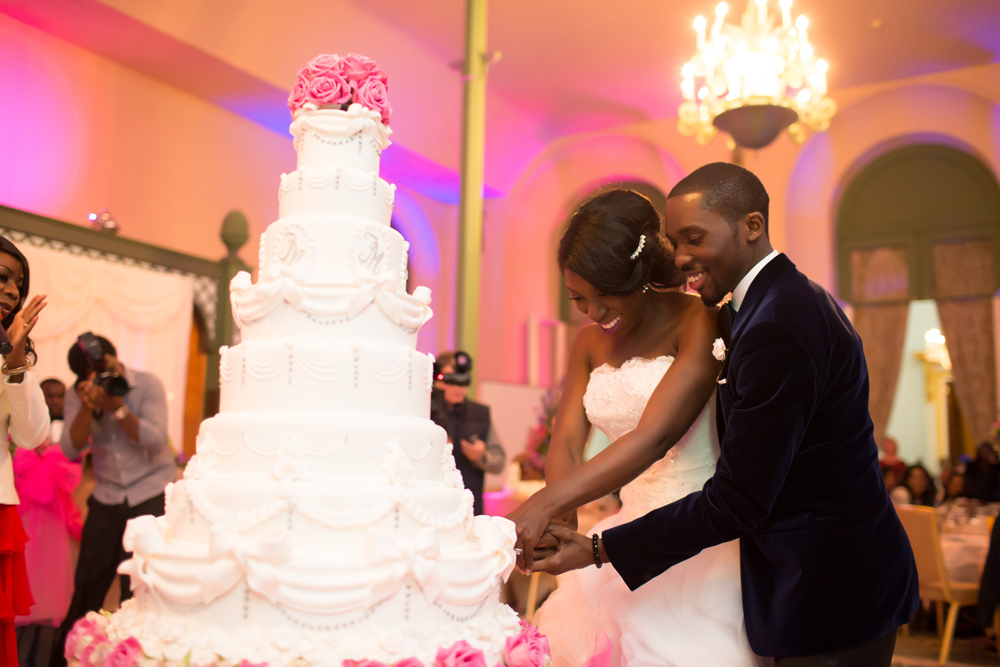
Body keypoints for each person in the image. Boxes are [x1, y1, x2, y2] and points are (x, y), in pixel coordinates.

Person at [520, 163, 919, 666]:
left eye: (694, 238)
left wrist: (598, 547)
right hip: (786, 573)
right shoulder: (761, 308)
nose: (681, 257)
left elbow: (736, 499)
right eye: (674, 242)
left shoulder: (776, 321)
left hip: (829, 585)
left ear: (751, 226)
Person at [507, 189, 761, 666]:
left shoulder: (699, 322)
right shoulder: (586, 343)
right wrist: (562, 519)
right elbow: (564, 438)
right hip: (623, 529)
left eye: (605, 298)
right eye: (579, 299)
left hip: (696, 534)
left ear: (641, 279)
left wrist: (545, 503)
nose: (594, 313)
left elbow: (655, 436)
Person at [52, 335, 173, 667]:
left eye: (106, 366)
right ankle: (66, 659)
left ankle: (135, 659)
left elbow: (154, 438)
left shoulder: (147, 385)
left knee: (139, 590)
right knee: (88, 586)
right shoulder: (82, 394)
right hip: (106, 496)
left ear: (114, 358)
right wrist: (88, 408)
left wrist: (117, 407)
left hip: (150, 494)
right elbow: (70, 448)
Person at [0, 237, 51, 666]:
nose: (13, 292)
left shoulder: (12, 352)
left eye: (18, 283)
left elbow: (33, 436)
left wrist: (14, 364)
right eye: (3, 278)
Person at [14, 377, 82, 667]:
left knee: (50, 598)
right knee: (26, 589)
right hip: (28, 518)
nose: (54, 400)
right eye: (48, 395)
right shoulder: (21, 427)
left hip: (54, 522)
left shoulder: (71, 432)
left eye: (59, 395)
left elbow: (72, 472)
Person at [432, 351, 506, 515]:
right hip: (431, 505)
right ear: (439, 380)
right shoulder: (425, 411)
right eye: (452, 379)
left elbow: (499, 460)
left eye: (463, 380)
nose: (458, 387)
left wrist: (481, 456)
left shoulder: (479, 413)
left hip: (469, 510)